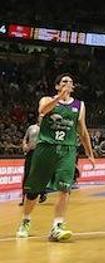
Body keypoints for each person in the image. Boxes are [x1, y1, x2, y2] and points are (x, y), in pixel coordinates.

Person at [16, 73, 96, 241]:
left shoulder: (79, 105)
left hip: (67, 150)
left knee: (65, 188)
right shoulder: (46, 100)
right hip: (45, 148)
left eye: (71, 82)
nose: (68, 84)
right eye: (64, 82)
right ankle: (25, 221)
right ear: (57, 86)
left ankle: (57, 226)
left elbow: (82, 130)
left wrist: (89, 152)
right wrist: (59, 97)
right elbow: (42, 110)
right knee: (34, 191)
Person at [19, 123, 47, 206]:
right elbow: (25, 138)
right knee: (27, 174)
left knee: (39, 174)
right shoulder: (31, 127)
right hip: (31, 153)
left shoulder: (47, 128)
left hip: (41, 153)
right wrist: (24, 145)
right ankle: (24, 197)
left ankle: (42, 193)